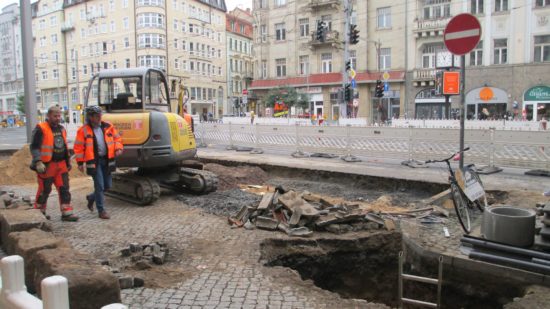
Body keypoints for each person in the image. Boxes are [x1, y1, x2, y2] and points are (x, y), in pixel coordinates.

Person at [29, 106, 79, 221]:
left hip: (61, 165)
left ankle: (67, 212)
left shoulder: (61, 129)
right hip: (47, 165)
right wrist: (38, 161)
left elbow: (64, 146)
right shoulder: (41, 128)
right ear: (48, 116)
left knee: (64, 188)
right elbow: (34, 147)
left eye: (59, 116)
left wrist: (68, 162)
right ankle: (40, 212)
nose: (57, 118)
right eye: (55, 116)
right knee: (44, 190)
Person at [74, 106, 123, 219]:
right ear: (90, 117)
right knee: (100, 186)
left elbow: (117, 139)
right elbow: (78, 147)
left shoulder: (108, 126)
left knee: (107, 186)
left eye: (100, 115)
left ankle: (91, 198)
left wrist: (118, 148)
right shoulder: (83, 130)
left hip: (107, 160)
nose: (100, 117)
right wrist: (80, 163)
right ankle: (101, 210)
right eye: (97, 116)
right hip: (94, 162)